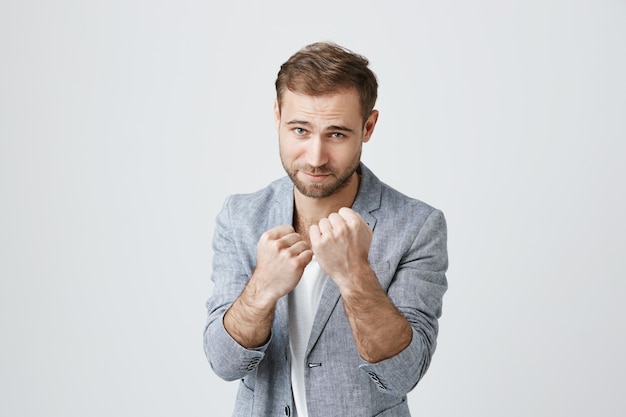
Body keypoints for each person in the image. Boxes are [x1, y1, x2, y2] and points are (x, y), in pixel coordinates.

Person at [204, 41, 448, 417]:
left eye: (336, 134)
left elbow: (403, 375)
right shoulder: (240, 217)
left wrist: (355, 276)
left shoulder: (417, 226)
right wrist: (262, 288)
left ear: (368, 127)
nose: (316, 157)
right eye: (300, 130)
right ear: (277, 116)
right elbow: (224, 363)